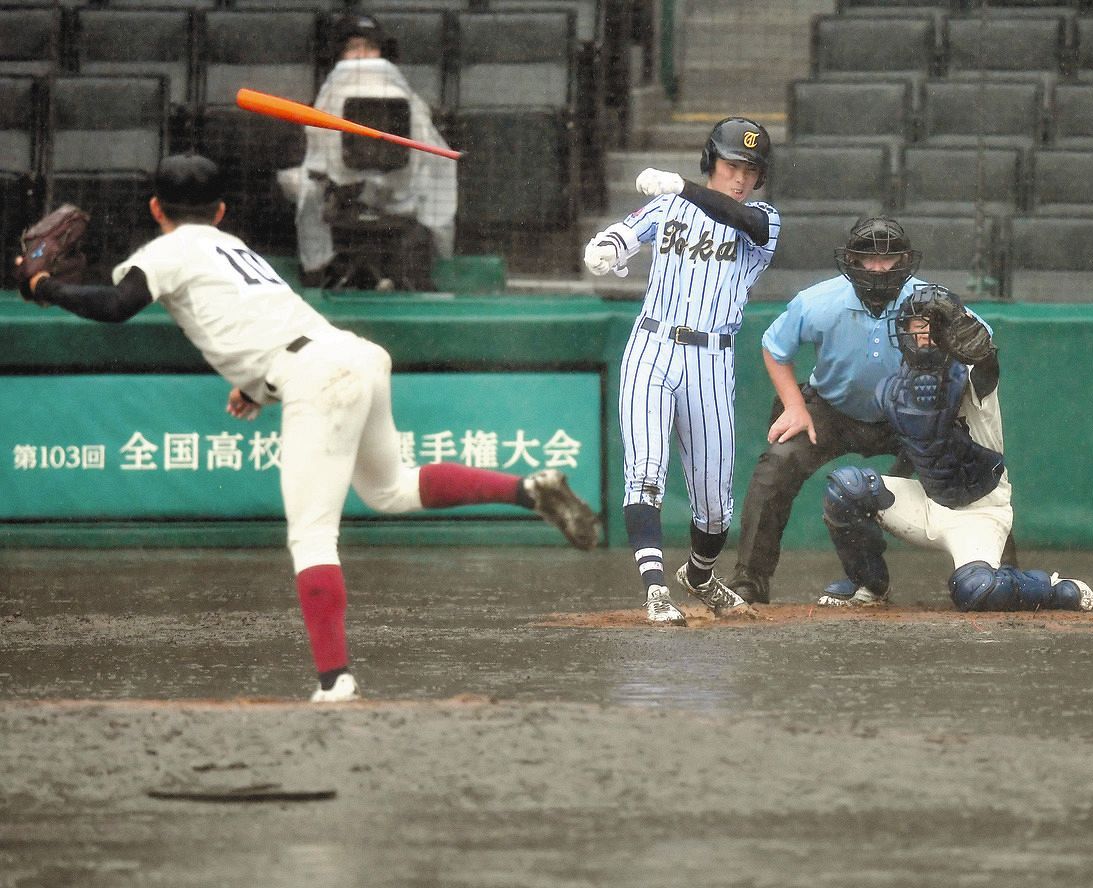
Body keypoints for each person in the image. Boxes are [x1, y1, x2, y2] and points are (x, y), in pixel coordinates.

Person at [15, 153, 600, 702]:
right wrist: (257, 388)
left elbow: (117, 306)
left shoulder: (168, 252)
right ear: (220, 211)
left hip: (315, 374)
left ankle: (335, 681)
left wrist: (44, 287)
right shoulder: (234, 248)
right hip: (353, 355)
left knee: (312, 536)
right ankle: (528, 490)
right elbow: (267, 326)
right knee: (390, 488)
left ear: (155, 208)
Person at [582, 117, 781, 626]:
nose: (741, 177)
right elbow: (625, 233)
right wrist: (606, 249)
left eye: (751, 169)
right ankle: (655, 589)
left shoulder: (763, 219)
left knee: (714, 507)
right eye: (732, 165)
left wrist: (683, 186)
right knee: (645, 472)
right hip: (651, 346)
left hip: (711, 359)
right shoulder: (668, 205)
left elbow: (745, 221)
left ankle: (699, 575)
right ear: (712, 160)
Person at [820, 284, 1093, 612]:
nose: (926, 335)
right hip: (929, 502)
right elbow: (919, 445)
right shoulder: (896, 387)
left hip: (979, 510)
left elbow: (986, 366)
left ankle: (1053, 590)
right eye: (918, 325)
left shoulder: (972, 373)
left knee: (978, 591)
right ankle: (869, 584)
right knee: (847, 489)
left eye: (935, 325)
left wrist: (983, 353)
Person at [725, 216, 928, 605]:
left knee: (963, 469)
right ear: (851, 260)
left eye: (888, 257)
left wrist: (942, 409)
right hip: (833, 409)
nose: (878, 268)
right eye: (868, 257)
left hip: (909, 415)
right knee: (777, 465)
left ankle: (995, 571)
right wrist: (794, 405)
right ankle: (750, 578)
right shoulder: (818, 301)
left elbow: (976, 347)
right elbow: (774, 348)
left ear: (905, 260)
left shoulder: (930, 301)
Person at [277, 11, 457, 290]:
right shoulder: (320, 104)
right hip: (338, 196)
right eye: (353, 48)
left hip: (399, 195)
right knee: (307, 190)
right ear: (339, 55)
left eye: (370, 47)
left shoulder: (411, 103)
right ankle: (318, 274)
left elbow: (431, 157)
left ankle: (414, 275)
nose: (362, 56)